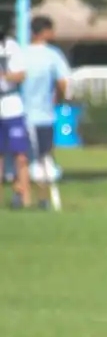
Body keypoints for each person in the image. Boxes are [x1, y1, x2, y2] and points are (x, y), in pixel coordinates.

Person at [20, 17, 71, 210]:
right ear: (46, 32)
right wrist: (60, 97)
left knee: (22, 157)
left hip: (21, 114)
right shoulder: (53, 55)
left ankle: (23, 194)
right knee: (44, 156)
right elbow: (63, 82)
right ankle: (43, 197)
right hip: (43, 115)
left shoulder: (21, 53)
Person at [1, 30, 31, 209]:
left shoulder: (11, 46)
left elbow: (21, 74)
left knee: (20, 155)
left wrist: (5, 76)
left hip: (12, 107)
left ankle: (25, 196)